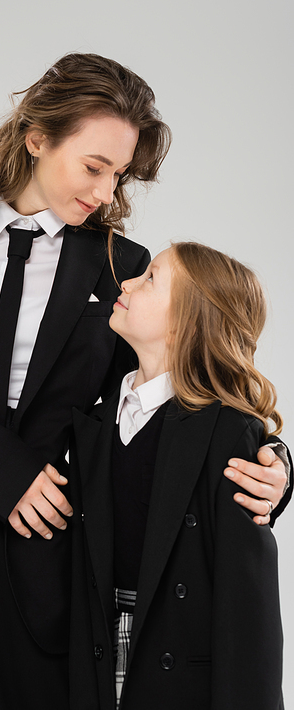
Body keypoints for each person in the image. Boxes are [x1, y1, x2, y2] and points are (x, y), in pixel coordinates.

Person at [0, 54, 289, 710]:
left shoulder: (119, 268)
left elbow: (171, 398)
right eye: (94, 167)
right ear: (37, 137)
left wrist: (270, 461)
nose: (106, 193)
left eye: (119, 175)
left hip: (39, 547)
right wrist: (4, 471)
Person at [69, 242, 288, 710]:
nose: (126, 282)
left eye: (150, 278)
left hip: (180, 673)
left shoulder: (228, 432)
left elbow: (249, 610)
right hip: (97, 659)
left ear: (187, 322)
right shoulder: (93, 423)